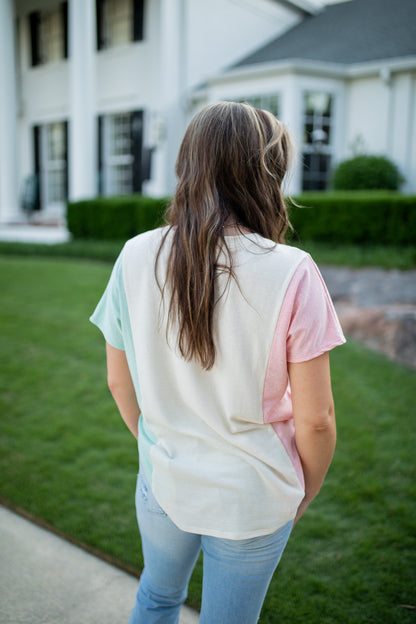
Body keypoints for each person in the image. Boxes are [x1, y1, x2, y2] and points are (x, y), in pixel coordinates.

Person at [90, 101, 346, 624]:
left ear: (190, 164)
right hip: (253, 496)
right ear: (265, 173)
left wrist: (158, 443)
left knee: (155, 600)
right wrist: (306, 488)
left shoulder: (134, 255)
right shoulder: (293, 271)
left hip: (163, 479)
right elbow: (316, 420)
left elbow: (119, 382)